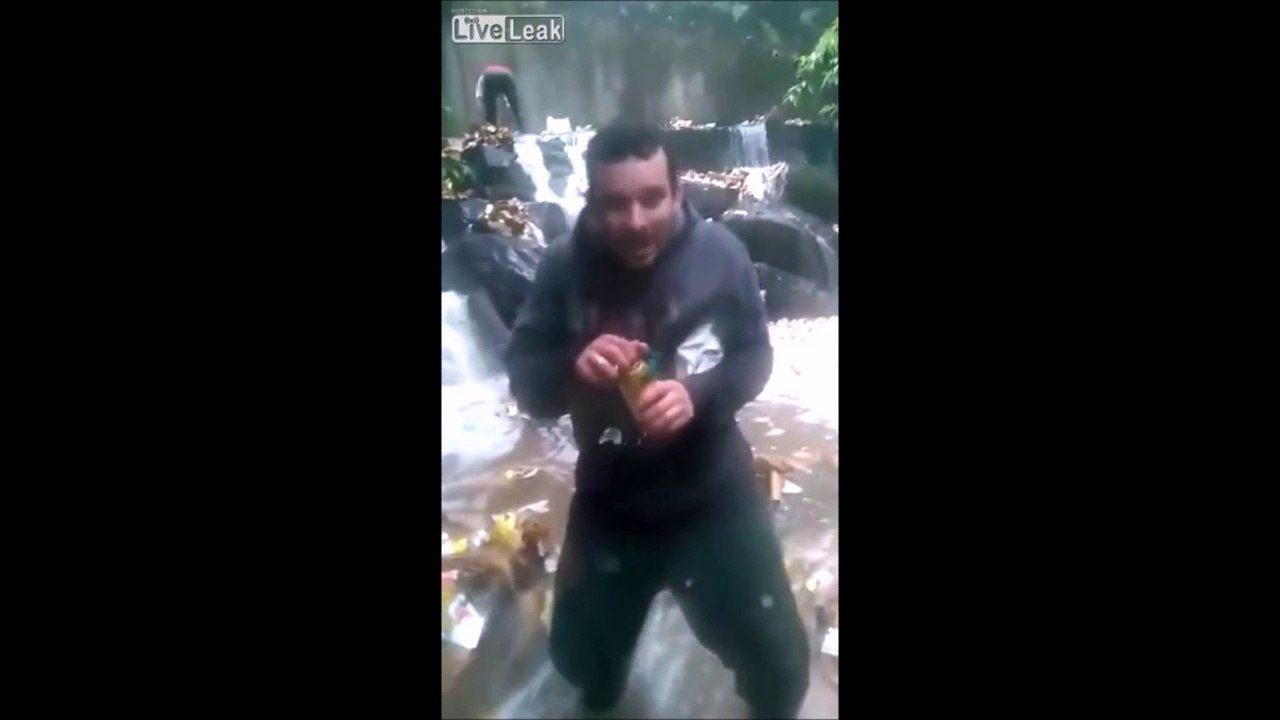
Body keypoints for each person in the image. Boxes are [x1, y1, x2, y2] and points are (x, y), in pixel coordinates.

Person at [504, 124, 810, 718]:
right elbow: (526, 381)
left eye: (652, 198)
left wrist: (698, 395)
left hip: (714, 494)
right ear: (590, 203)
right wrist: (573, 365)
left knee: (780, 665)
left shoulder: (721, 255)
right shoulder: (563, 269)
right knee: (582, 661)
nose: (638, 221)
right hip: (613, 502)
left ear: (678, 192)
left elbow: (755, 356)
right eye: (616, 204)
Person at [475, 64, 524, 133]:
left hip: (489, 79)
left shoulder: (483, 76)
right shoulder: (507, 74)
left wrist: (479, 99)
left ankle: (492, 131)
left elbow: (479, 91)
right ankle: (522, 129)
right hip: (506, 76)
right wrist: (511, 103)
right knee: (516, 108)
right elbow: (513, 96)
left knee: (490, 111)